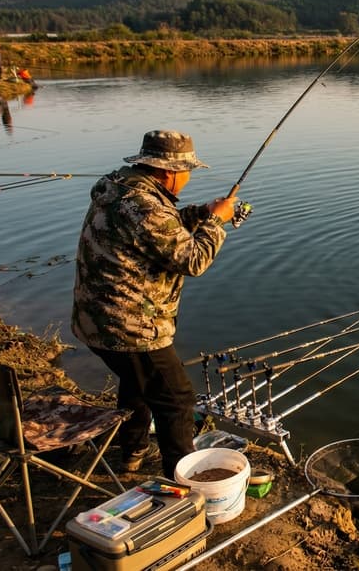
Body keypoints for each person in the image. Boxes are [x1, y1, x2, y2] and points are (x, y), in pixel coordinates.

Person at [72, 130, 237, 478]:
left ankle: (132, 452)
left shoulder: (119, 188)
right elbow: (193, 260)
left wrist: (200, 213)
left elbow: (157, 227)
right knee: (176, 399)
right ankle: (182, 481)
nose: (189, 176)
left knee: (138, 382)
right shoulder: (145, 206)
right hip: (129, 328)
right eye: (187, 170)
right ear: (168, 171)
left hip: (94, 320)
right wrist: (216, 222)